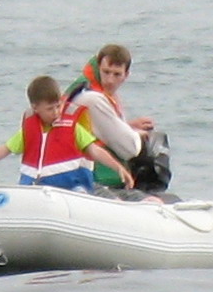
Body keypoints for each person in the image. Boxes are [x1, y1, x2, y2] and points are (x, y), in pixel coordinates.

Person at [0, 74, 130, 192]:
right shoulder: (29, 131)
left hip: (70, 190)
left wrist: (118, 167)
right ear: (35, 108)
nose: (57, 112)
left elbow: (94, 150)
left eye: (58, 106)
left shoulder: (72, 127)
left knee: (81, 193)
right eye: (50, 109)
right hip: (36, 192)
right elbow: (3, 150)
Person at [71, 43, 168, 194]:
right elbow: (129, 148)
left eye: (117, 74)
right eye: (106, 72)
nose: (110, 80)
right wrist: (138, 135)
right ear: (98, 68)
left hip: (88, 175)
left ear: (126, 75)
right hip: (93, 179)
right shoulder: (92, 99)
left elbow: (99, 130)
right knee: (156, 141)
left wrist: (128, 126)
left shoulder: (90, 90)